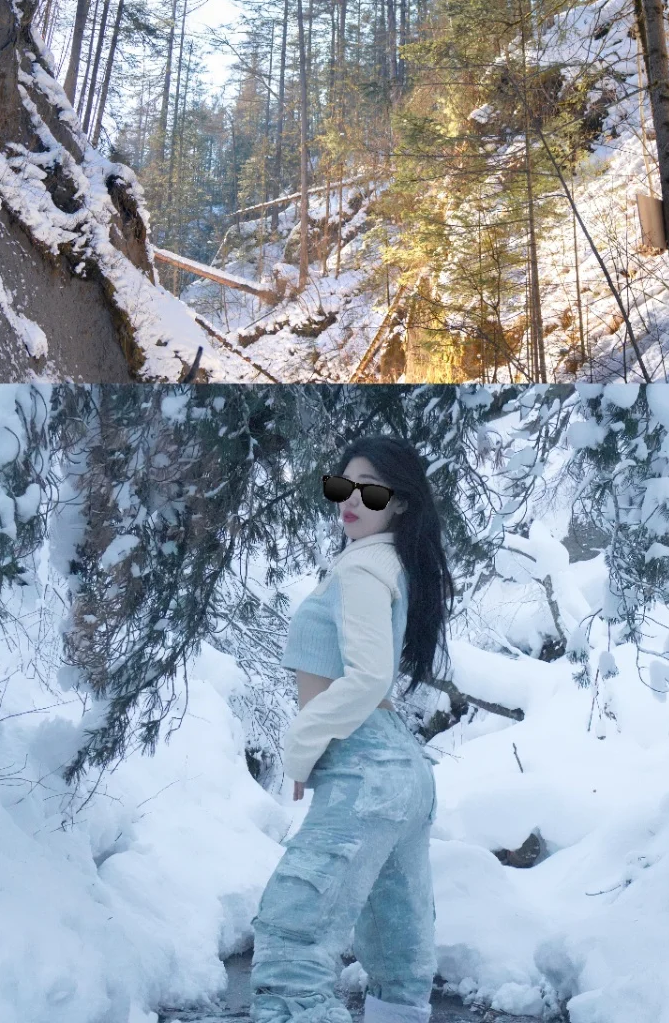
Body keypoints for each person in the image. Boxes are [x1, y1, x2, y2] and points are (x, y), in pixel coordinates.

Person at [250, 435, 456, 1023]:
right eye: (342, 486)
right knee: (400, 964)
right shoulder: (390, 563)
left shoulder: (365, 566)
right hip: (402, 775)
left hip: (365, 768)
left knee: (291, 944)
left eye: (370, 490)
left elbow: (367, 679)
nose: (351, 500)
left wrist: (300, 746)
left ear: (401, 504)